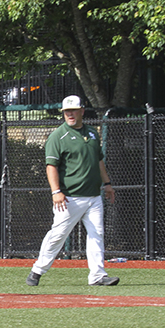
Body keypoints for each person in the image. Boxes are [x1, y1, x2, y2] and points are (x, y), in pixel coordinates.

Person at [26, 95, 119, 286]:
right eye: (66, 111)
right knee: (58, 235)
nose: (70, 114)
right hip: (69, 198)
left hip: (93, 196)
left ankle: (97, 276)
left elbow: (98, 160)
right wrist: (56, 191)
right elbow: (51, 166)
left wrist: (107, 184)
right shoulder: (58, 136)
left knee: (96, 234)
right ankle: (37, 270)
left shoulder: (92, 133)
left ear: (82, 111)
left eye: (73, 110)